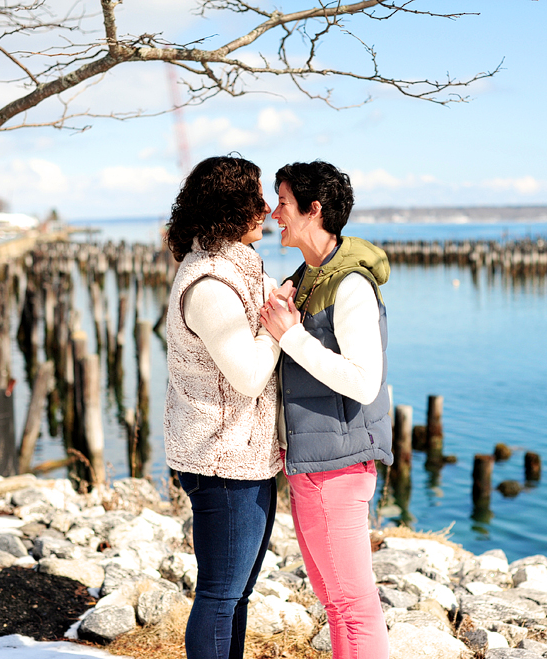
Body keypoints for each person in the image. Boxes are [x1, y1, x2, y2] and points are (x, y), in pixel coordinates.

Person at [260, 160, 393, 659]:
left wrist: (290, 335)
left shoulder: (350, 286)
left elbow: (363, 381)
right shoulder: (310, 275)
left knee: (352, 604)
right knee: (335, 602)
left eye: (284, 203)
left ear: (314, 210)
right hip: (312, 462)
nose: (275, 214)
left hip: (337, 467)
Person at [162, 155, 281, 659]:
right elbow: (251, 375)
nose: (268, 208)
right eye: (255, 197)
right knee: (220, 595)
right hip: (222, 461)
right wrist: (280, 328)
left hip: (244, 456)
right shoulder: (210, 285)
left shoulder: (239, 270)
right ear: (229, 209)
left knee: (236, 595)